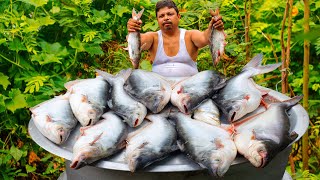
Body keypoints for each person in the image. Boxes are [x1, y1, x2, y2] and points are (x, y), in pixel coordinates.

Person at [127, 0, 224, 77]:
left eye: (170, 14)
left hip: (188, 88)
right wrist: (133, 29)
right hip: (160, 89)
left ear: (178, 16)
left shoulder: (189, 36)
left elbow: (204, 38)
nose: (166, 18)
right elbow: (139, 42)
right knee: (137, 76)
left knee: (209, 76)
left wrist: (214, 27)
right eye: (161, 16)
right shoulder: (153, 37)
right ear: (157, 20)